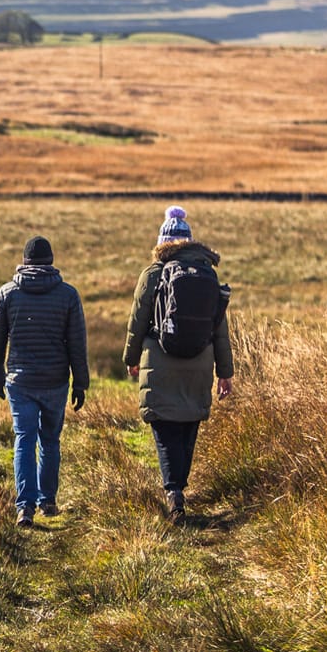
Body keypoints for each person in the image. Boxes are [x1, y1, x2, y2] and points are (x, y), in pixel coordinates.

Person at [124, 205, 235, 524]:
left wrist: (131, 359)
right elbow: (220, 330)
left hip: (159, 361)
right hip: (200, 362)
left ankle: (174, 492)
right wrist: (224, 373)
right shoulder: (207, 275)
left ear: (162, 242)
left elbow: (137, 322)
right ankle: (179, 486)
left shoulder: (153, 274)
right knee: (188, 425)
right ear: (188, 241)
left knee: (164, 428)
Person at [0, 235, 89, 528]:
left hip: (20, 381)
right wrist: (80, 382)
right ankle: (48, 501)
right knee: (50, 441)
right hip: (56, 380)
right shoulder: (68, 295)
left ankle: (25, 508)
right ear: (51, 261)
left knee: (23, 439)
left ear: (24, 261)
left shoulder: (7, 294)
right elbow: (77, 344)